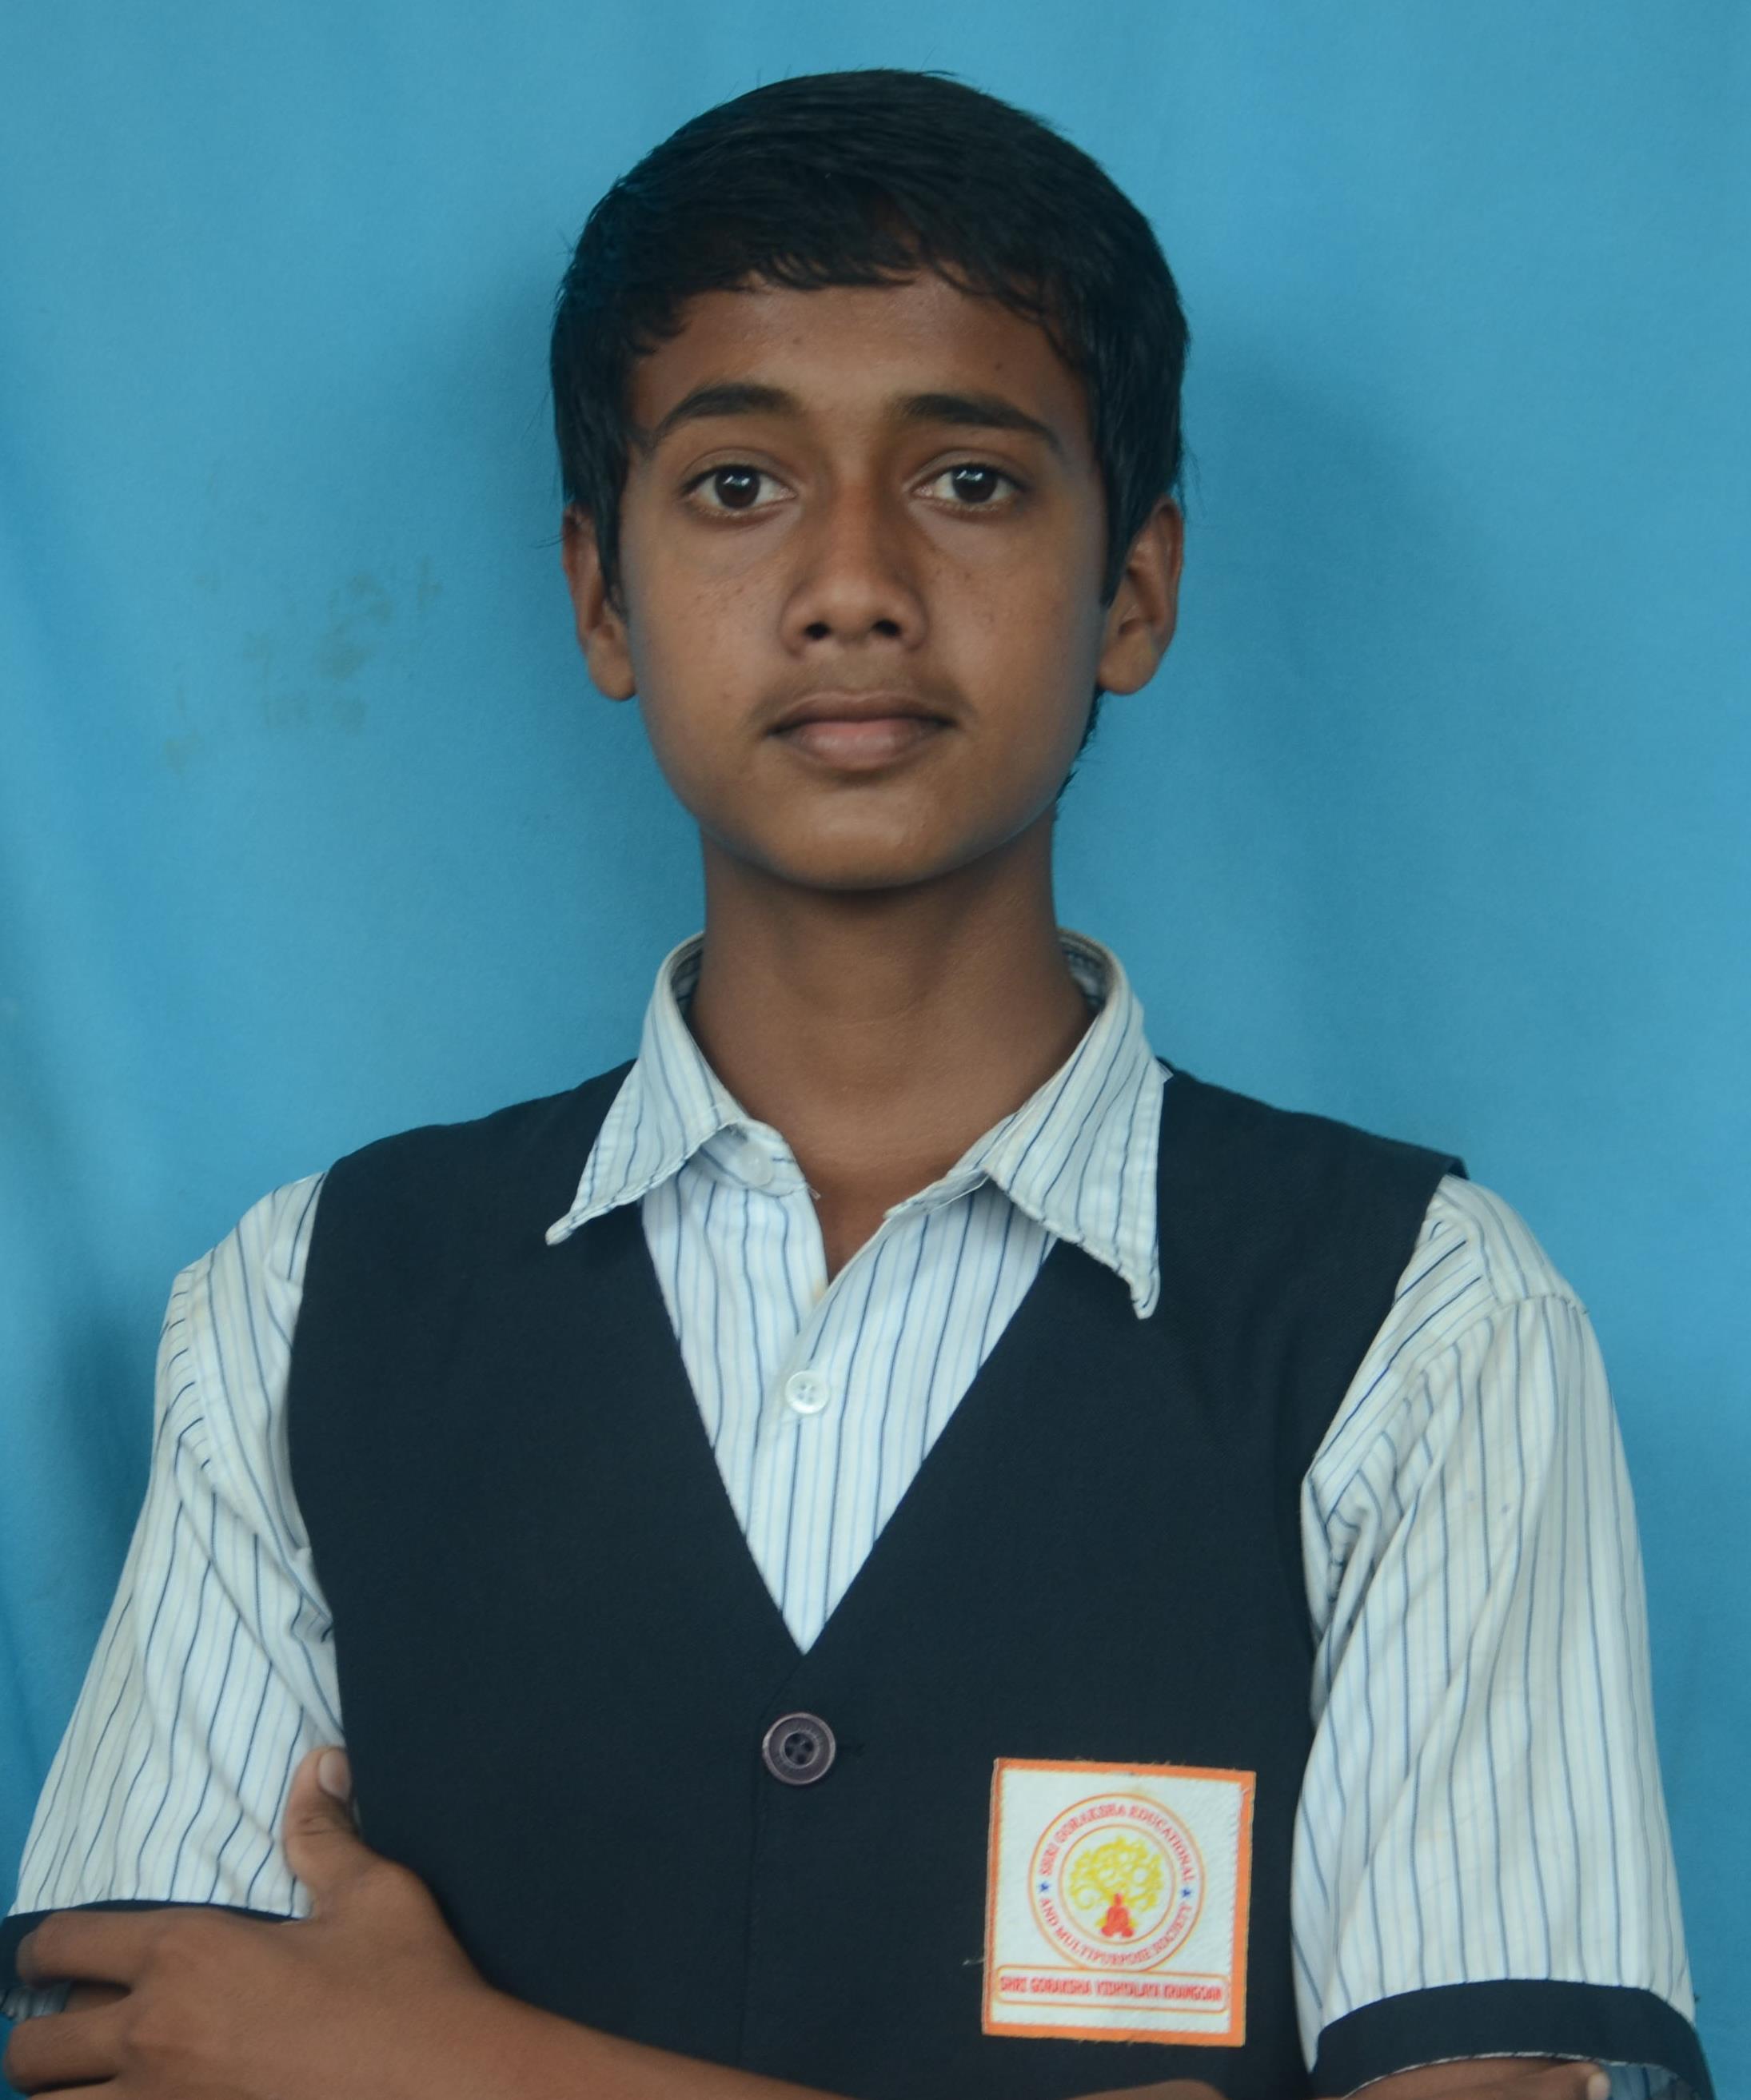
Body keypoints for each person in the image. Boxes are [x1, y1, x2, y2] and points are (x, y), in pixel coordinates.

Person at [0, 66, 1711, 2100]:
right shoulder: (308, 1307)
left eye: (971, 480)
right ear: (600, 596)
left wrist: (446, 2066)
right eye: (738, 485)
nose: (852, 583)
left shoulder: (1422, 1323)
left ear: (1135, 588)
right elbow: (148, 2045)